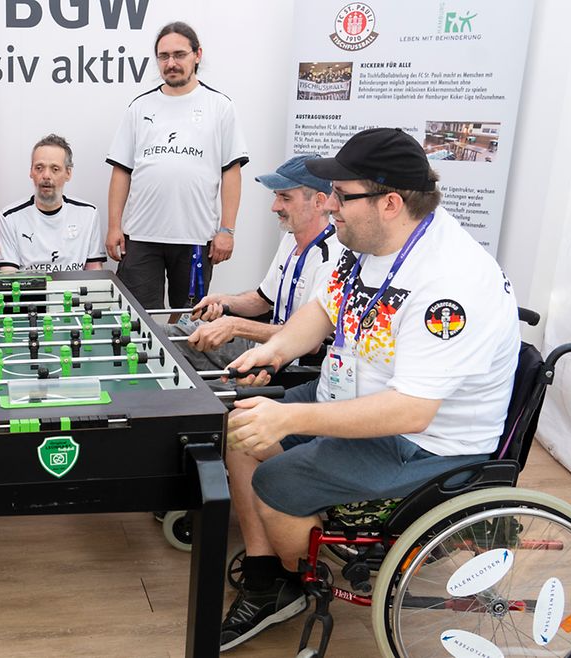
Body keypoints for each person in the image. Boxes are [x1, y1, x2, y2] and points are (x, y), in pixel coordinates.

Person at [216, 128, 520, 651]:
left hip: (422, 443)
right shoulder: (365, 243)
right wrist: (278, 349)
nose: (328, 204)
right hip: (353, 394)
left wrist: (289, 420)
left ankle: (304, 575)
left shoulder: (451, 280)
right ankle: (272, 580)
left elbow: (412, 411)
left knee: (277, 486)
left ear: (391, 202)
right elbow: (324, 309)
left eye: (341, 195)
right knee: (240, 426)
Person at [105, 21, 249, 313]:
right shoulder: (140, 107)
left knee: (188, 318)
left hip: (195, 238)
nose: (171, 63)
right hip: (142, 236)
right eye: (163, 56)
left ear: (197, 54)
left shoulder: (219, 106)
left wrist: (227, 230)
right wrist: (113, 226)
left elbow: (231, 172)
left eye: (179, 54)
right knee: (137, 319)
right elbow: (121, 170)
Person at [169, 155, 342, 389]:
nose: (275, 207)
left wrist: (234, 325)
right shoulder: (290, 239)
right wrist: (225, 301)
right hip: (262, 348)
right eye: (276, 197)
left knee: (198, 394)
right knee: (168, 335)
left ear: (320, 201)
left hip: (292, 367)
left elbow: (309, 343)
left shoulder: (332, 260)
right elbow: (262, 301)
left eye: (285, 198)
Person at [0, 134, 106, 273]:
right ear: (31, 172)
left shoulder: (89, 214)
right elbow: (8, 276)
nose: (46, 175)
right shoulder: (9, 217)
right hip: (29, 294)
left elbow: (95, 272)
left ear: (68, 173)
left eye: (55, 169)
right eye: (39, 168)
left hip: (73, 293)